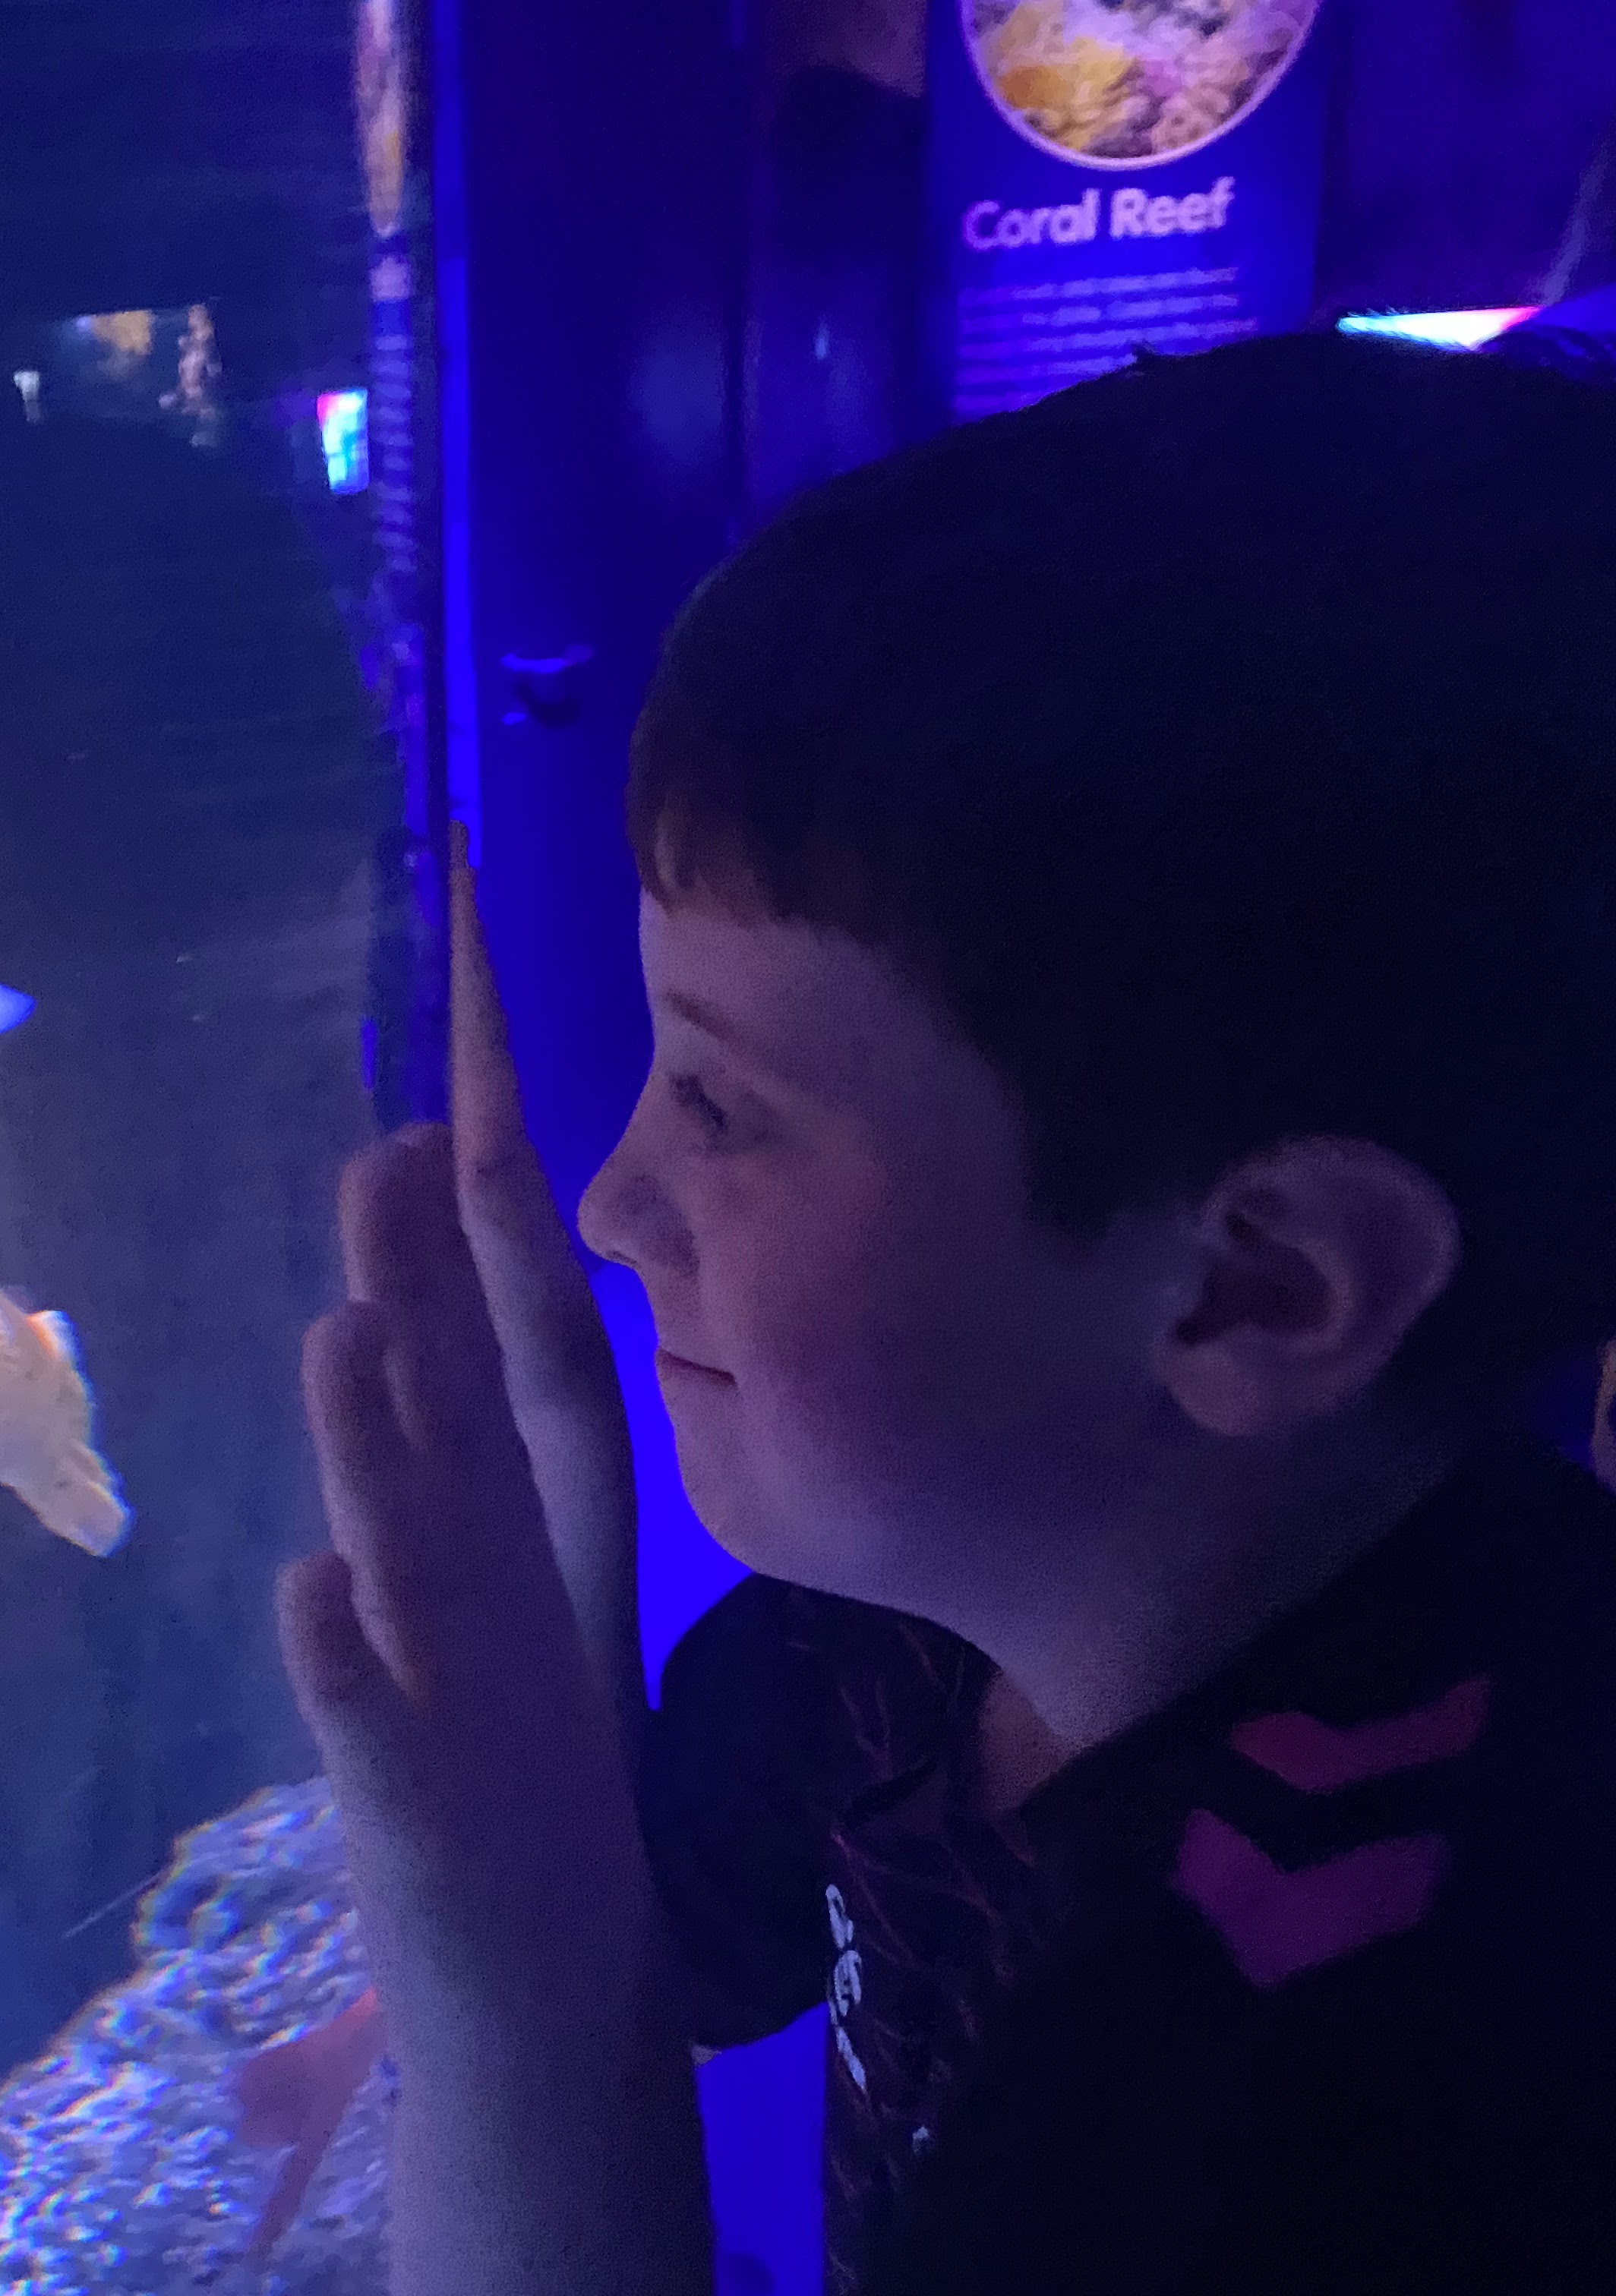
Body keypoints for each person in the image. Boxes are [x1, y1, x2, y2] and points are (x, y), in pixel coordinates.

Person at [282, 330, 1616, 2296]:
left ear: (1262, 1287)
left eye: (724, 1102)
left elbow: (575, 1992)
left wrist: (502, 1996)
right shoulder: (882, 1652)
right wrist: (550, 1753)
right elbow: (674, 1945)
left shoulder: (1286, 2109)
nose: (612, 1200)